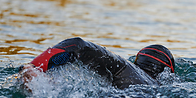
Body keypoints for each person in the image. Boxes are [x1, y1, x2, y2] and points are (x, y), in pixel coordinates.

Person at [19, 37, 175, 89]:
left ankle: (40, 82)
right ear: (167, 72)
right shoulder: (162, 89)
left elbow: (77, 45)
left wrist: (35, 65)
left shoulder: (125, 68)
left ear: (137, 61)